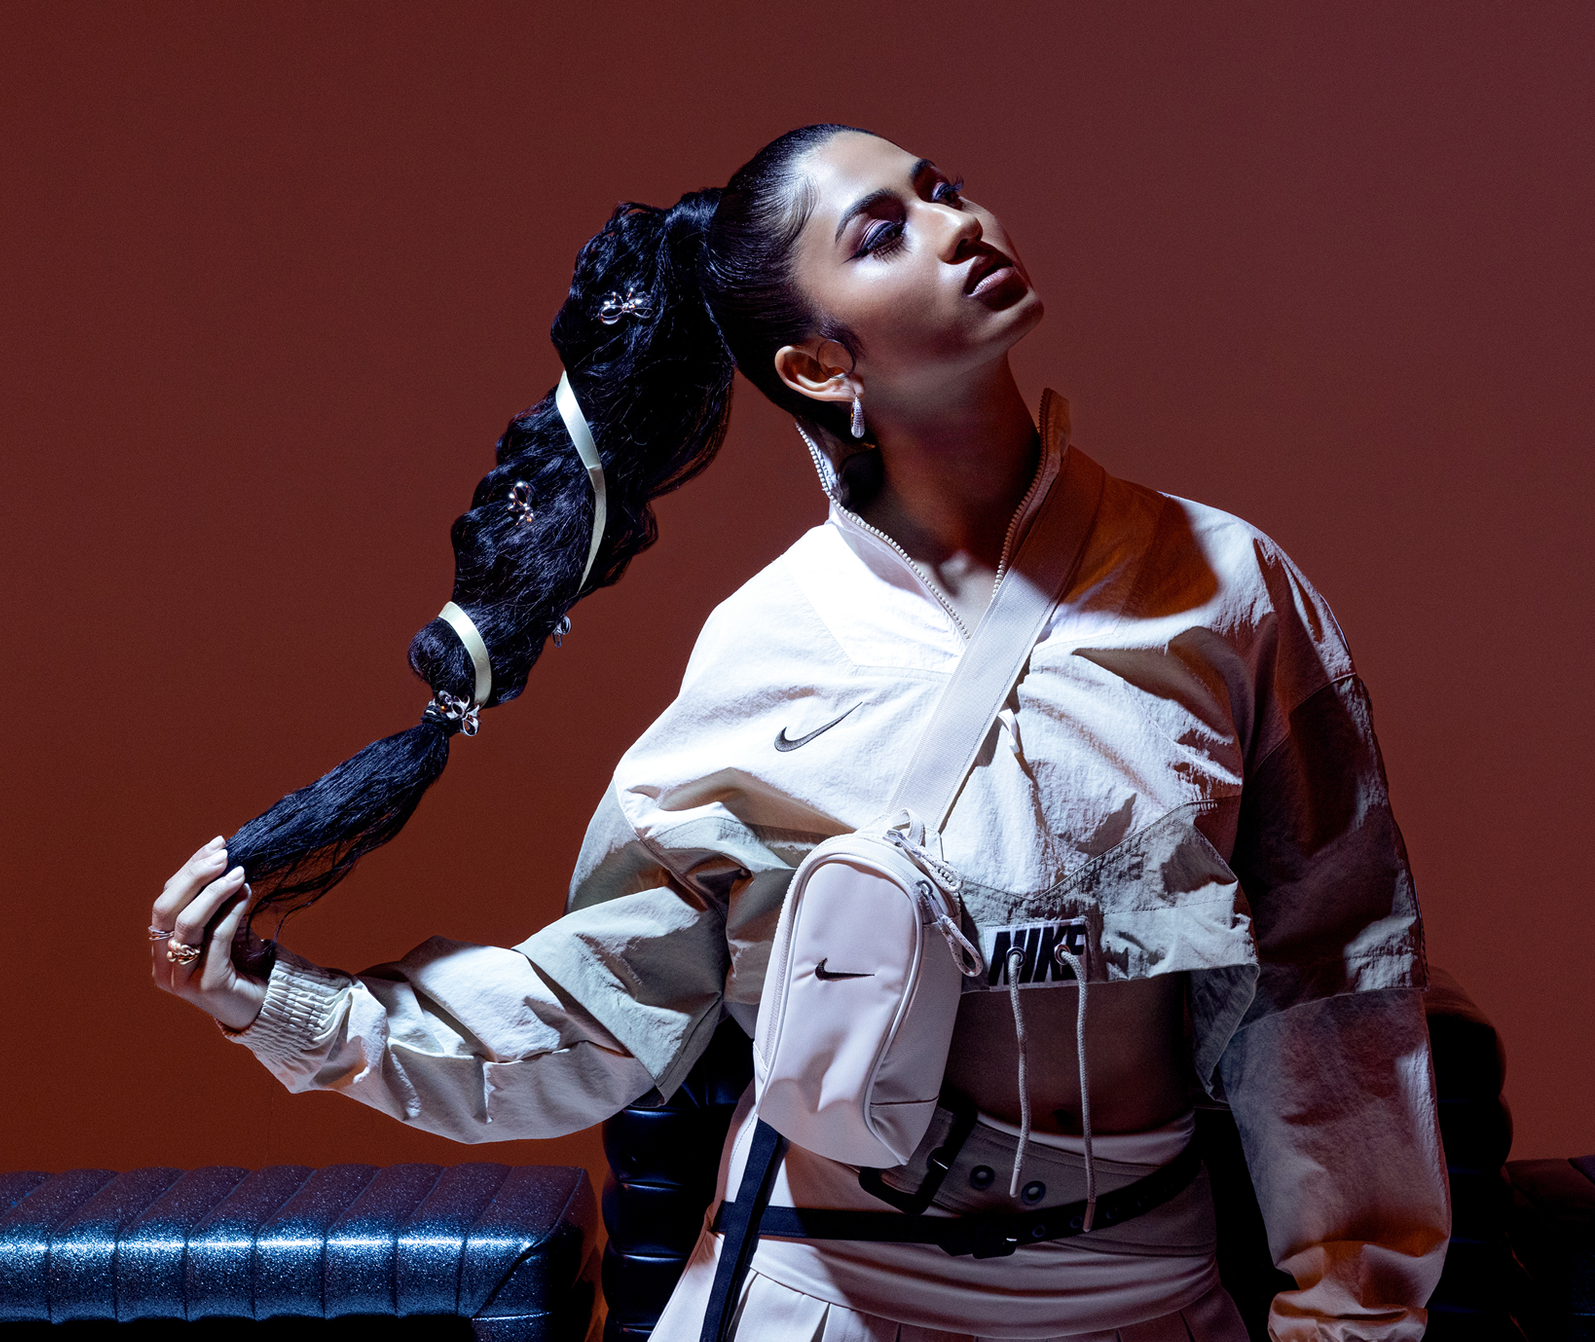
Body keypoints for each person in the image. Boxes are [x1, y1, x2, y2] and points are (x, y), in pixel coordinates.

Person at [149, 124, 1449, 1342]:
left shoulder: (1224, 584)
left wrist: (1355, 1312)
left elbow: (1332, 978)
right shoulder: (763, 648)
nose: (955, 223)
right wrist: (290, 1006)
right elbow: (595, 1009)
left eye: (939, 188)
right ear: (821, 365)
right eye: (882, 232)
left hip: (1135, 1292)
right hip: (822, 1292)